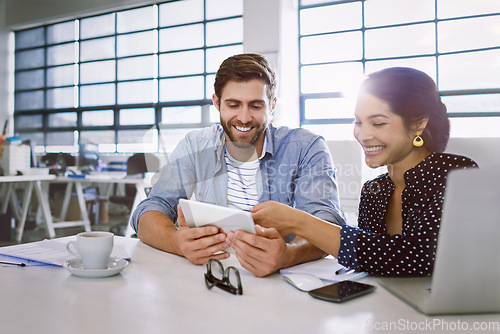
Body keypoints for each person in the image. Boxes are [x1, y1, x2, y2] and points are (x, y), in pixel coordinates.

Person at [237, 67, 478, 277]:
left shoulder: (455, 174)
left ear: (418, 124)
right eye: (358, 122)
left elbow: (415, 257)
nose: (363, 135)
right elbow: (370, 259)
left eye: (378, 123)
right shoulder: (375, 191)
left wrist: (299, 222)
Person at [131, 53, 344, 277]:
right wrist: (176, 242)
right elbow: (150, 209)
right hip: (213, 275)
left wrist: (289, 255)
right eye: (233, 105)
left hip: (283, 282)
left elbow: (326, 220)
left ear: (272, 105)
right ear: (217, 103)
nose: (243, 117)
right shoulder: (195, 145)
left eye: (255, 106)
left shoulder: (306, 147)